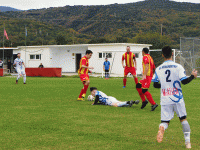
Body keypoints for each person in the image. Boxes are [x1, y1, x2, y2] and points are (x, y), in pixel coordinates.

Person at [152, 46, 198, 149]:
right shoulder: (178, 67)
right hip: (177, 98)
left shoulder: (158, 68)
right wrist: (192, 76)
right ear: (172, 54)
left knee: (165, 121)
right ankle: (188, 143)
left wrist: (164, 85)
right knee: (183, 119)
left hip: (165, 99)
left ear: (162, 55)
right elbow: (184, 81)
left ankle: (162, 127)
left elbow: (155, 85)